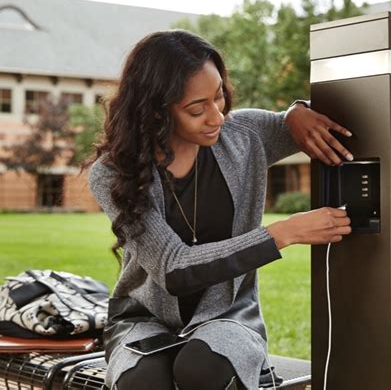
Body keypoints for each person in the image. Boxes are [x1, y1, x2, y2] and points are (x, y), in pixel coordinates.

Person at [86, 30, 352, 390]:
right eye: (197, 109)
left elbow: (310, 123)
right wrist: (284, 233)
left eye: (219, 97)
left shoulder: (244, 136)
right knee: (143, 382)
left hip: (228, 315)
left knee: (201, 368)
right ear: (155, 112)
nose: (217, 117)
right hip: (142, 318)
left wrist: (296, 110)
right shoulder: (113, 172)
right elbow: (173, 268)